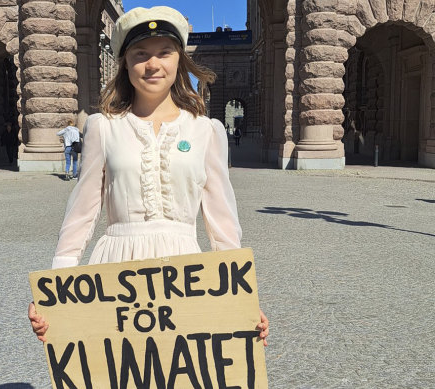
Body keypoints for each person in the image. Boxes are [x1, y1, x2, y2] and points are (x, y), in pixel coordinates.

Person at [29, 6, 269, 344]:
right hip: (114, 270)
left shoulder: (207, 131)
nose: (153, 64)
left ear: (179, 60)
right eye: (141, 54)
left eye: (164, 53)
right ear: (125, 62)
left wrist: (243, 301)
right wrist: (55, 291)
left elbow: (223, 225)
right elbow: (81, 216)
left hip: (185, 273)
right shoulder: (103, 128)